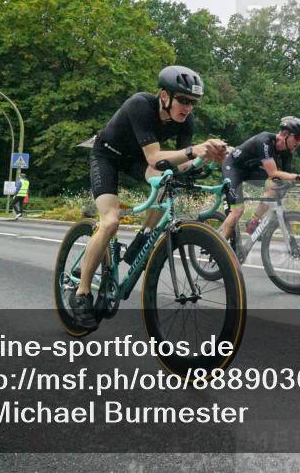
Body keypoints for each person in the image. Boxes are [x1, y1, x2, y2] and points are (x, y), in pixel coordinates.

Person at [71, 65, 227, 327]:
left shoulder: (186, 121)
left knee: (169, 180)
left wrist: (207, 158)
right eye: (183, 100)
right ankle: (82, 292)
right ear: (164, 96)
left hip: (135, 159)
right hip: (106, 156)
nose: (188, 108)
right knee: (109, 222)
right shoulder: (140, 105)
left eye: (193, 103)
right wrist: (195, 150)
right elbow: (155, 157)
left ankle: (143, 236)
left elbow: (180, 166)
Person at [217, 116, 300, 245]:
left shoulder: (287, 153)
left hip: (251, 171)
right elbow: (273, 173)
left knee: (277, 185)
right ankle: (218, 248)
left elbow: (286, 177)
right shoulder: (265, 140)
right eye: (297, 137)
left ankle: (253, 222)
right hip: (234, 168)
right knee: (238, 211)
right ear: (285, 134)